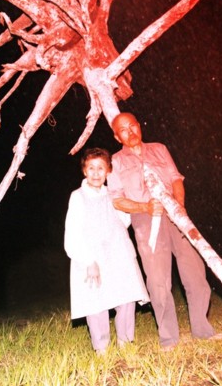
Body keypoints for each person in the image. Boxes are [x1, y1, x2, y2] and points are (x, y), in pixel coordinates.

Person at [107, 112, 221, 350]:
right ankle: (169, 338)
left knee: (195, 271)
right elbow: (117, 199)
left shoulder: (159, 148)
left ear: (139, 126)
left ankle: (202, 329)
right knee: (158, 280)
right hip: (145, 218)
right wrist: (144, 206)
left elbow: (175, 178)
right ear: (117, 137)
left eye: (133, 126)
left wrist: (179, 206)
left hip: (175, 213)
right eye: (124, 130)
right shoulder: (115, 162)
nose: (130, 132)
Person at [64, 147, 149, 355]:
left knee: (126, 298)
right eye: (91, 168)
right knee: (96, 303)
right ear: (84, 171)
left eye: (100, 168)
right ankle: (102, 349)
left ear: (108, 171)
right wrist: (88, 261)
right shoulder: (77, 197)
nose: (95, 173)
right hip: (92, 258)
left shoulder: (113, 195)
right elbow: (72, 233)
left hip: (118, 254)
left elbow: (123, 221)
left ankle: (125, 343)